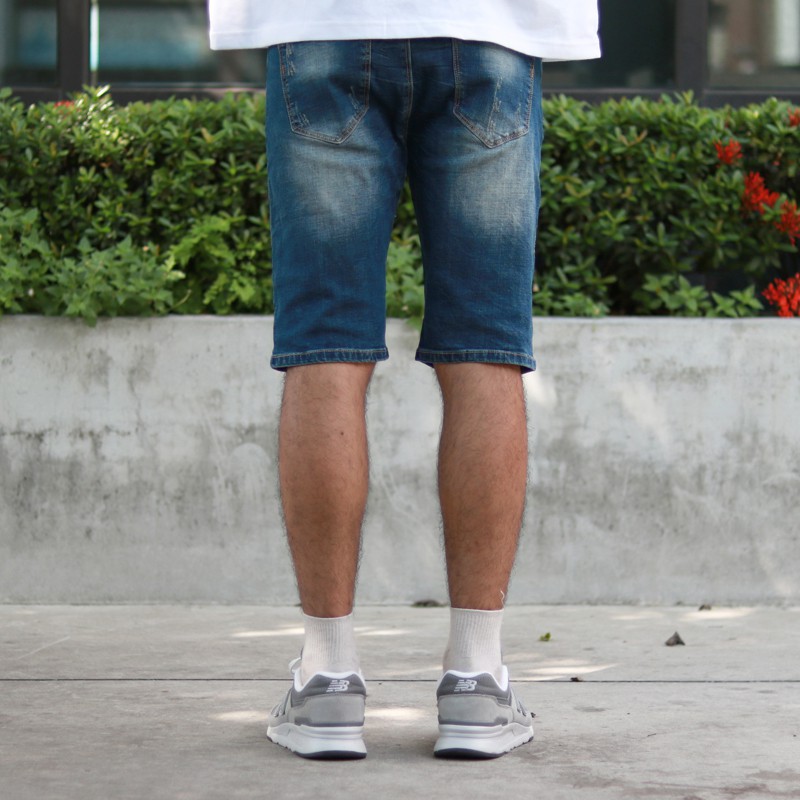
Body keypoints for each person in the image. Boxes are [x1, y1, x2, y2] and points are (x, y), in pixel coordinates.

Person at [208, 1, 600, 759]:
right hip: (489, 28)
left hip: (323, 25)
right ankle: (477, 679)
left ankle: (327, 679)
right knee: (484, 346)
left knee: (325, 345)